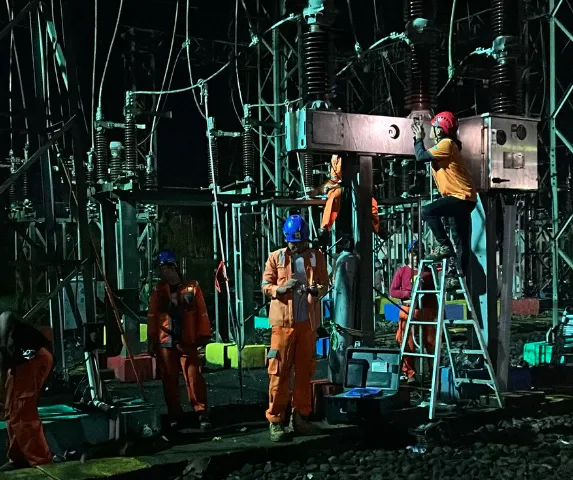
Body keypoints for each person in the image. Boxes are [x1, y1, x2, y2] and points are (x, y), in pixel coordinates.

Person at [261, 215, 329, 442]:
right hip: (283, 325)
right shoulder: (276, 257)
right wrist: (278, 290)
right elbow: (265, 285)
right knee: (279, 372)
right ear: (286, 239)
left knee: (304, 373)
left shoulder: (316, 257)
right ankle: (275, 420)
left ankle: (300, 418)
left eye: (300, 242)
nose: (296, 246)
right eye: (293, 242)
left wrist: (316, 290)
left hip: (307, 325)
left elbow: (324, 283)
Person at [147, 250, 212, 430]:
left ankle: (201, 412)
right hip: (166, 342)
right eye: (161, 269)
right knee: (169, 381)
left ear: (173, 267)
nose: (163, 272)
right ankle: (174, 415)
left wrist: (203, 335)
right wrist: (151, 341)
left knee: (194, 377)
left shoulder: (192, 288)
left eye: (165, 268)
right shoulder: (159, 291)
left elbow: (202, 312)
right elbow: (152, 317)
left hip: (187, 340)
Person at [411, 112, 477, 287]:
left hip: (460, 197)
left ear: (440, 130)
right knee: (461, 241)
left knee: (427, 211)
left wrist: (418, 139)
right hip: (463, 198)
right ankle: (457, 276)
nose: (430, 130)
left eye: (433, 127)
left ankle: (444, 245)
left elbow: (421, 156)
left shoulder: (446, 144)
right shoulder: (447, 145)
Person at [0, 311, 53, 471]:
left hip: (33, 359)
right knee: (11, 409)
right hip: (20, 364)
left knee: (21, 410)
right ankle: (19, 457)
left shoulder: (4, 320)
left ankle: (40, 460)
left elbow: (7, 315)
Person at [390, 241, 437, 384]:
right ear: (409, 254)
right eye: (414, 254)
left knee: (431, 342)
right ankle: (410, 373)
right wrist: (408, 293)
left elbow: (436, 292)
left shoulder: (430, 272)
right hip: (408, 309)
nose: (416, 257)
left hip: (427, 310)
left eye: (419, 254)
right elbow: (393, 291)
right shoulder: (402, 271)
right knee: (407, 343)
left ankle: (433, 372)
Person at [314, 154, 380, 239]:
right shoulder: (336, 157)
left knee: (371, 203)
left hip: (360, 185)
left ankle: (376, 228)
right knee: (333, 197)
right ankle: (324, 228)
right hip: (342, 187)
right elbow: (334, 179)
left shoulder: (363, 154)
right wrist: (319, 190)